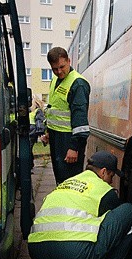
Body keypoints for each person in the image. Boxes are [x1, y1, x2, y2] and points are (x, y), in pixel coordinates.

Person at [27, 151, 132, 259]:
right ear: (103, 172)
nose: (111, 182)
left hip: (36, 251)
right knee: (129, 212)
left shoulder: (67, 183)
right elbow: (115, 225)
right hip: (73, 256)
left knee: (57, 232)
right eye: (111, 176)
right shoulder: (103, 190)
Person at [40, 47, 91, 184]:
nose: (59, 72)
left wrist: (74, 147)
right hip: (57, 138)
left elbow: (80, 121)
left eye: (62, 67)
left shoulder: (78, 84)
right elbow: (54, 110)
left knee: (70, 181)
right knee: (60, 178)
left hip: (69, 140)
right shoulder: (55, 81)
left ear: (69, 61)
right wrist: (49, 132)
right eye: (55, 69)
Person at [29, 97, 46, 169]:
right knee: (28, 149)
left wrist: (40, 133)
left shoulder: (37, 111)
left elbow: (39, 122)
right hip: (30, 132)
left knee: (28, 149)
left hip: (32, 132)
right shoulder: (30, 111)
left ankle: (29, 165)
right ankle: (29, 164)